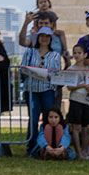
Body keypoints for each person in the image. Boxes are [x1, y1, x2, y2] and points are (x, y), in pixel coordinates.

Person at [20, 26, 61, 155]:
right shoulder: (30, 52)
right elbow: (22, 69)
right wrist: (32, 70)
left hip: (47, 89)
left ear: (50, 39)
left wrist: (47, 74)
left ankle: (47, 145)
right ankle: (31, 146)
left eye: (47, 36)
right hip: (32, 90)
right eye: (42, 36)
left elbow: (57, 74)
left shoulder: (55, 55)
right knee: (33, 118)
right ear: (38, 38)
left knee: (47, 118)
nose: (44, 39)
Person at [66, 44, 89, 160]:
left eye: (79, 53)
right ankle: (78, 152)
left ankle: (85, 151)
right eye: (75, 53)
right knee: (76, 127)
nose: (77, 55)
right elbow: (69, 86)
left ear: (85, 55)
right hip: (76, 100)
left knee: (88, 127)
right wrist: (83, 85)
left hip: (88, 101)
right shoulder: (71, 69)